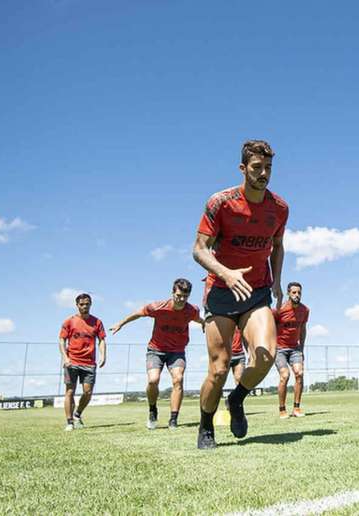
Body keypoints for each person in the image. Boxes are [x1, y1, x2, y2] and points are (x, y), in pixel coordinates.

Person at [192, 139, 288, 449]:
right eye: (257, 168)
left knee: (265, 354)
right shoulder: (220, 202)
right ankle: (206, 425)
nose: (264, 174)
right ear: (243, 168)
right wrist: (226, 273)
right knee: (219, 369)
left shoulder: (280, 208)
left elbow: (277, 246)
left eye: (268, 169)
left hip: (257, 291)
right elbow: (199, 250)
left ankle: (236, 400)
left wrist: (277, 282)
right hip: (220, 292)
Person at [110, 279, 204, 430]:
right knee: (153, 380)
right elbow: (137, 313)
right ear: (172, 293)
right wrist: (120, 324)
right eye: (178, 295)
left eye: (185, 296)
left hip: (177, 351)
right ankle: (152, 409)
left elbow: (198, 319)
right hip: (156, 350)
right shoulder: (157, 307)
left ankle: (173, 419)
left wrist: (205, 324)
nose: (181, 299)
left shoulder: (192, 310)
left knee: (178, 379)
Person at [58, 293, 106, 431]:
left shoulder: (97, 322)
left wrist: (103, 355)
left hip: (89, 363)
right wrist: (65, 358)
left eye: (87, 304)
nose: (85, 306)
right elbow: (62, 340)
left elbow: (102, 340)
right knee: (70, 392)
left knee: (88, 392)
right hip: (71, 362)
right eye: (82, 304)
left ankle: (77, 414)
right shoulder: (69, 321)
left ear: (91, 304)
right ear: (77, 305)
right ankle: (69, 422)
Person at [274, 282, 308, 419]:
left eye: (299, 292)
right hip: (279, 349)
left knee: (299, 373)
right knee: (285, 375)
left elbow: (303, 329)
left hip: (295, 348)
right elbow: (270, 328)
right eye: (294, 292)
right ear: (288, 293)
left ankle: (296, 408)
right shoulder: (280, 310)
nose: (297, 295)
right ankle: (282, 409)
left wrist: (302, 347)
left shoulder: (305, 310)